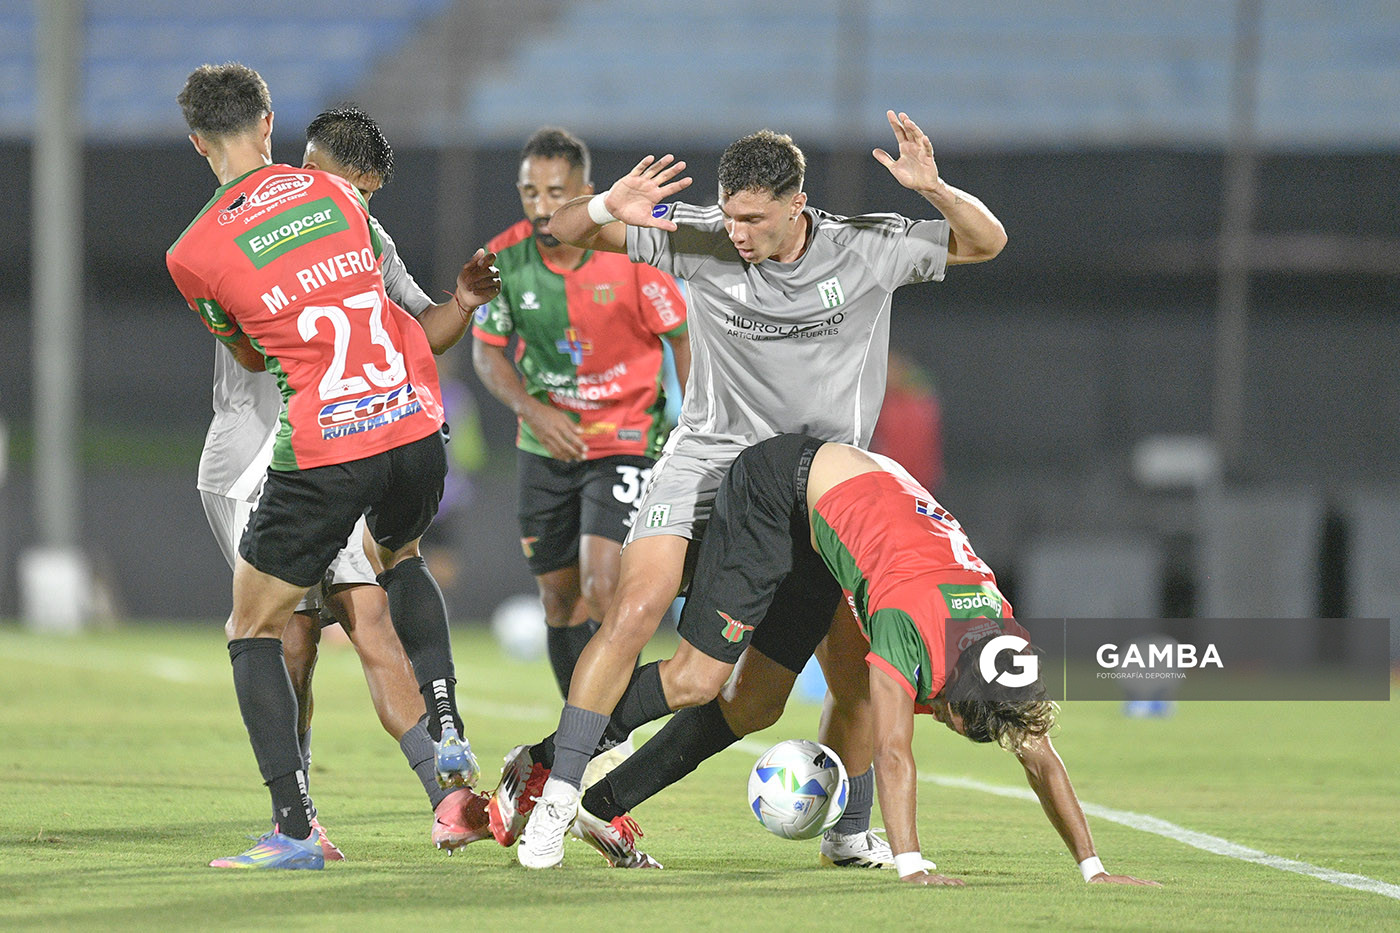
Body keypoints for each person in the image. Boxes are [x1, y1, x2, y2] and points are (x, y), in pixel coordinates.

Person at [498, 111, 1008, 870]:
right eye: (730, 213)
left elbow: (986, 242)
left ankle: (847, 830)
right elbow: (565, 231)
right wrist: (609, 205)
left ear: (796, 206)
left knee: (810, 675)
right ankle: (556, 793)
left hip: (819, 488)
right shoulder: (699, 235)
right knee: (637, 607)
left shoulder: (865, 247)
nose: (736, 231)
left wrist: (934, 189)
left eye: (754, 218)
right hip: (706, 461)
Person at [561, 434, 1160, 888]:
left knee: (762, 703)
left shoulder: (1004, 640)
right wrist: (913, 865)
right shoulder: (910, 622)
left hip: (862, 501)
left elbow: (1042, 758)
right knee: (698, 677)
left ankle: (602, 804)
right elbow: (895, 752)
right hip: (782, 485)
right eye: (948, 717)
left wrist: (1093, 867)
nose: (943, 722)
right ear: (951, 682)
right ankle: (551, 767)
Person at [167, 63, 495, 870]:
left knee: (278, 628)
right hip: (345, 437)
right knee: (323, 626)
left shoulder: (200, 248)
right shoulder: (346, 207)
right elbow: (413, 331)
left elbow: (247, 345)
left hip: (300, 445)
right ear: (271, 119)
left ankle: (302, 821)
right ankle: (414, 793)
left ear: (197, 141)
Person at [471, 128, 690, 756]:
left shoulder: (631, 257)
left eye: (556, 192)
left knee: (602, 584)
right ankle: (589, 731)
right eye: (530, 191)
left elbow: (681, 336)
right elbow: (490, 357)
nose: (541, 205)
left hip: (626, 436)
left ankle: (601, 728)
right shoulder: (502, 260)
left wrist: (694, 422)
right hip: (547, 447)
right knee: (558, 596)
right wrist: (535, 414)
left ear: (587, 194)